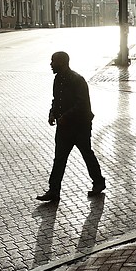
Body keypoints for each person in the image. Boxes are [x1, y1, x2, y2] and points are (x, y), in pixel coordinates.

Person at [36, 51, 106, 202]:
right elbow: (56, 99)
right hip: (63, 127)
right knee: (59, 159)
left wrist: (65, 117)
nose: (50, 65)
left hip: (80, 126)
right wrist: (52, 113)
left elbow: (82, 105)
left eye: (53, 61)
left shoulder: (77, 80)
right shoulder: (57, 79)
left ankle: (99, 182)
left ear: (62, 63)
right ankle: (54, 190)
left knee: (87, 154)